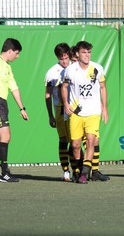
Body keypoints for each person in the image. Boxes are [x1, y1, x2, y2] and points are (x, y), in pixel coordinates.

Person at [61, 41, 109, 184]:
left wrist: (104, 107)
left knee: (91, 140)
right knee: (75, 145)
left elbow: (103, 87)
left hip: (93, 111)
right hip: (76, 112)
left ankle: (85, 173)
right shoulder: (70, 70)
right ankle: (77, 169)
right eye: (84, 52)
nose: (87, 55)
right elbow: (64, 87)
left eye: (89, 52)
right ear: (77, 54)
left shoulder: (97, 68)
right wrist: (65, 103)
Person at [0, 38, 29, 182]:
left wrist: (22, 108)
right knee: (6, 136)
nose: (18, 56)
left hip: (2, 103)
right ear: (9, 51)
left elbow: (14, 88)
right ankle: (4, 173)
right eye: (16, 53)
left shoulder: (7, 67)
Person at [45, 42, 76, 182]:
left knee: (75, 140)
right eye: (61, 58)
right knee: (63, 139)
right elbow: (48, 95)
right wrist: (50, 115)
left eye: (66, 58)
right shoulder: (52, 72)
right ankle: (65, 170)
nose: (64, 61)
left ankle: (77, 169)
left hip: (75, 109)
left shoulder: (75, 68)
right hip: (59, 109)